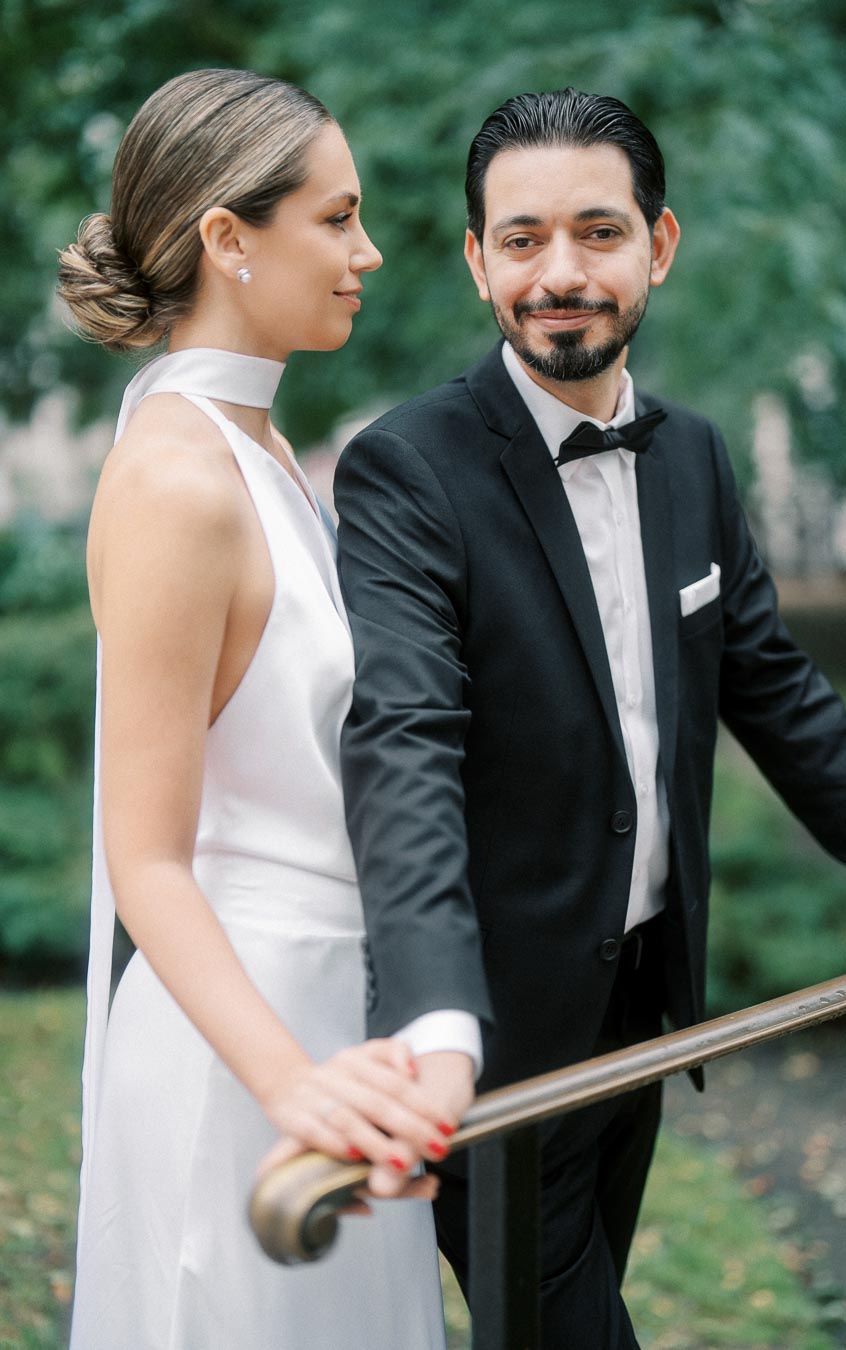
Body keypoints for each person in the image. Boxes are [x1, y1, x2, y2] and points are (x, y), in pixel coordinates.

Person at [333, 88, 846, 1348]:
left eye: (598, 232)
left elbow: (788, 705)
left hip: (638, 1010)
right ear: (478, 263)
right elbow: (404, 740)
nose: (561, 273)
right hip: (487, 1038)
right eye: (523, 239)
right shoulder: (406, 469)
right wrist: (435, 1016)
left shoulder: (694, 455)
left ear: (660, 244)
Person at [59, 68, 452, 1350]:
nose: (368, 252)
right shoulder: (178, 479)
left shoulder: (261, 448)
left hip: (343, 1030)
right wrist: (295, 1085)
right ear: (230, 239)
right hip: (250, 1054)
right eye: (336, 219)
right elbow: (147, 857)